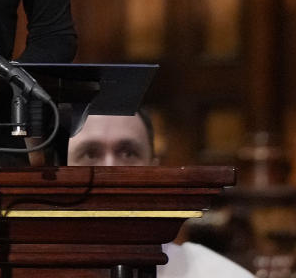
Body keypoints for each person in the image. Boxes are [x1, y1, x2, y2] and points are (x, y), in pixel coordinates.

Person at [67, 110, 255, 278]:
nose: (110, 169)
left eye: (128, 153)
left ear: (154, 170)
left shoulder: (214, 273)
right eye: (90, 154)